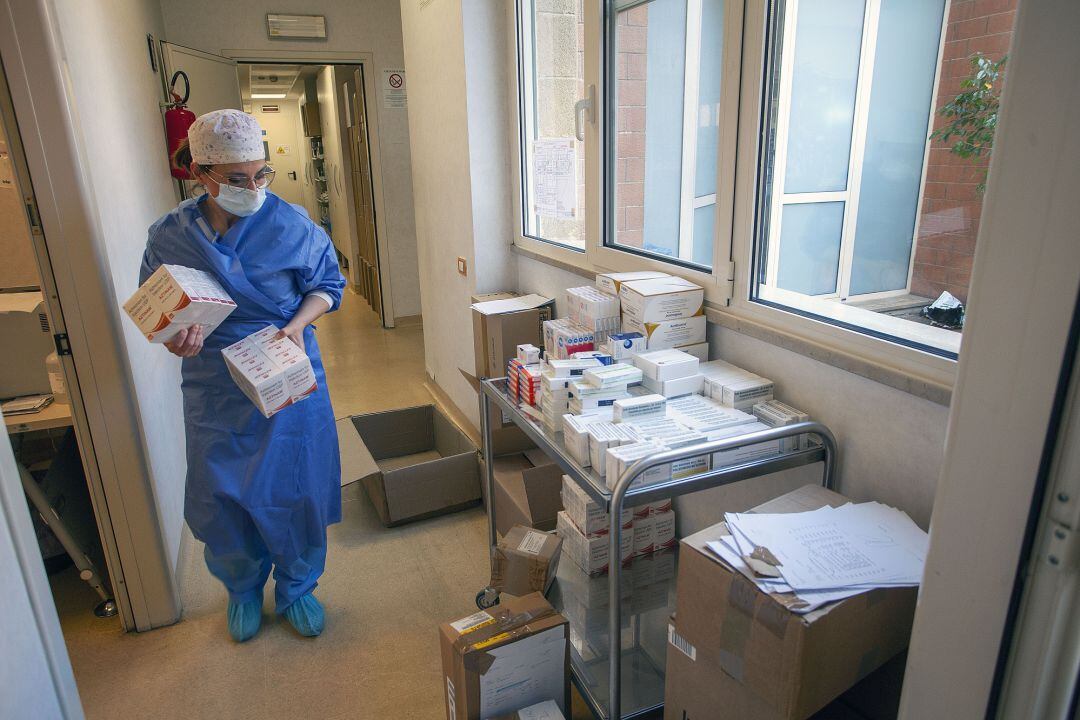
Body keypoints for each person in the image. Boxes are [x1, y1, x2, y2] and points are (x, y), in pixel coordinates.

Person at [140, 109, 346, 642]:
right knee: (221, 490)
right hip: (213, 380)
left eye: (260, 174)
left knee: (294, 484)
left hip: (285, 365)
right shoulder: (169, 237)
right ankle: (242, 588)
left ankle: (299, 585)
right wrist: (178, 342)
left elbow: (328, 284)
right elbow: (159, 315)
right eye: (236, 179)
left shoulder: (291, 223)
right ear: (200, 173)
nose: (252, 188)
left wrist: (298, 326)